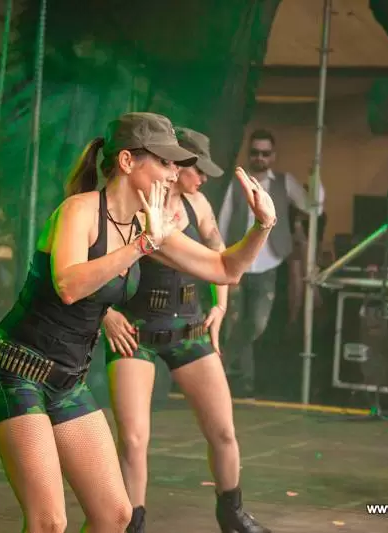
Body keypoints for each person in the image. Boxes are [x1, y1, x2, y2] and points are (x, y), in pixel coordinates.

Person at [0, 112, 276, 533]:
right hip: (17, 369)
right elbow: (69, 284)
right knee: (48, 522)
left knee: (115, 516)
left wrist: (263, 225)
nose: (173, 173)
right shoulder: (80, 211)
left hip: (68, 380)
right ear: (126, 161)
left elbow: (226, 269)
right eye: (165, 162)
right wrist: (142, 245)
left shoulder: (147, 227)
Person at [101, 127, 270, 533]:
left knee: (224, 431)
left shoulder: (198, 204)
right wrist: (105, 313)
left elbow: (221, 257)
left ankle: (232, 514)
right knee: (134, 439)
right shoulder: (135, 207)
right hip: (136, 332)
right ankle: (133, 524)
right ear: (174, 166)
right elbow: (93, 264)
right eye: (198, 169)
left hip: (189, 328)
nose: (204, 178)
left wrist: (220, 307)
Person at [217, 129, 324, 396]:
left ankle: (222, 364)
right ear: (249, 154)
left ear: (273, 156)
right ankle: (243, 381)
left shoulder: (284, 183)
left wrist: (315, 178)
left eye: (265, 153)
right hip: (236, 264)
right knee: (233, 322)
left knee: (256, 324)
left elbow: (314, 208)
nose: (260, 158)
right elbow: (223, 221)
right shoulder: (236, 183)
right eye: (255, 152)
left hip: (268, 264)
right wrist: (219, 255)